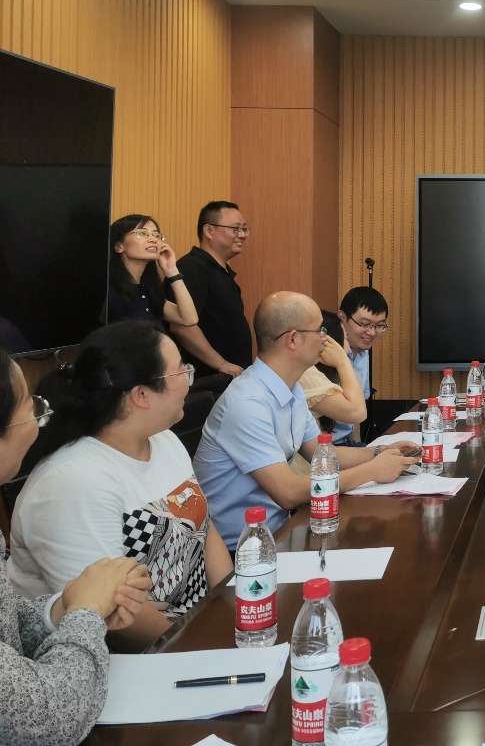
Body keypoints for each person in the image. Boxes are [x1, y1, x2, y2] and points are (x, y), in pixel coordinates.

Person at [8, 322, 232, 651]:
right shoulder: (73, 481)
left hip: (198, 630)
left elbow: (205, 529)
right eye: (181, 369)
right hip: (133, 655)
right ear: (141, 395)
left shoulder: (164, 439)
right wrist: (199, 648)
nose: (188, 377)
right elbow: (113, 612)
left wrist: (229, 607)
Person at [0, 345, 151, 746]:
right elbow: (49, 718)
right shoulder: (70, 478)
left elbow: (6, 629)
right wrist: (86, 614)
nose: (38, 415)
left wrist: (65, 607)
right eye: (29, 404)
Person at [192, 292, 419, 549]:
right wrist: (372, 470)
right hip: (241, 550)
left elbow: (326, 454)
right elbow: (288, 492)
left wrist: (380, 451)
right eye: (320, 330)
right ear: (292, 339)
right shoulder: (247, 403)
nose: (326, 338)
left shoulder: (292, 388)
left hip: (280, 531)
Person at [171, 201, 253, 380]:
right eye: (235, 228)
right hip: (209, 380)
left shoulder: (221, 272)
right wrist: (221, 364)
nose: (242, 235)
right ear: (209, 231)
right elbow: (182, 326)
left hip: (232, 378)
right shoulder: (192, 267)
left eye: (244, 229)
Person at [105, 214, 198, 327]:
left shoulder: (149, 290)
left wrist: (171, 270)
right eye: (142, 233)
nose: (153, 239)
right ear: (119, 246)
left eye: (156, 235)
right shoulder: (107, 289)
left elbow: (190, 319)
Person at [332, 287, 389, 445]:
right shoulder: (325, 355)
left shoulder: (363, 355)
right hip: (325, 447)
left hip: (346, 443)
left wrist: (358, 447)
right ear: (342, 317)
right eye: (364, 324)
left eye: (379, 326)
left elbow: (356, 416)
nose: (371, 333)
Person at [298, 311, 367, 432]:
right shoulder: (306, 372)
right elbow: (357, 413)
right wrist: (342, 361)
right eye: (345, 338)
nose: (349, 347)